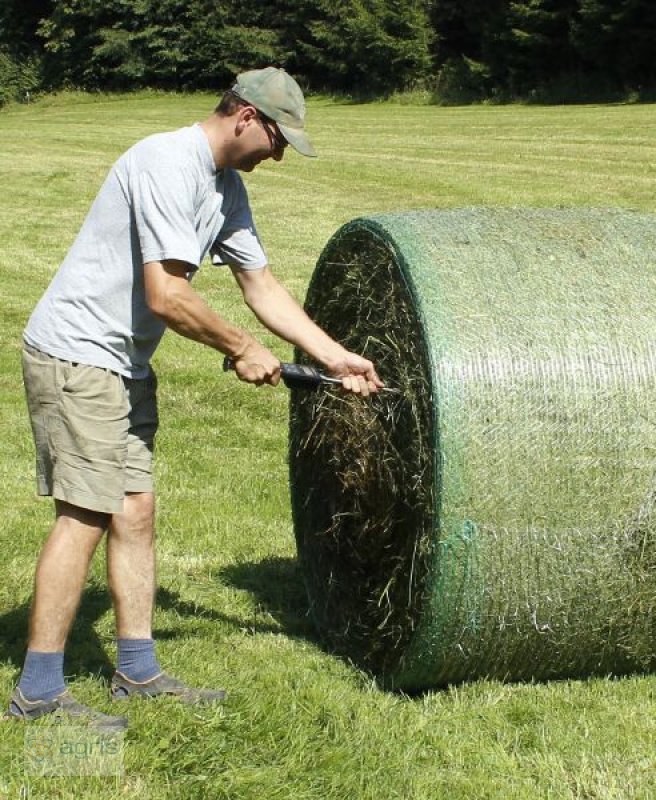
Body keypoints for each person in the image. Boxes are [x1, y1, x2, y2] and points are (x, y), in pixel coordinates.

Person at [5, 67, 383, 730]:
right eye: (278, 136)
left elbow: (260, 286)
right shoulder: (165, 163)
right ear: (244, 116)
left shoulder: (225, 187)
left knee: (135, 511)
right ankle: (37, 694)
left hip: (124, 362)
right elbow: (168, 296)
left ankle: (138, 671)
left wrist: (333, 355)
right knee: (85, 514)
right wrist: (240, 348)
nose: (281, 152)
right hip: (78, 354)